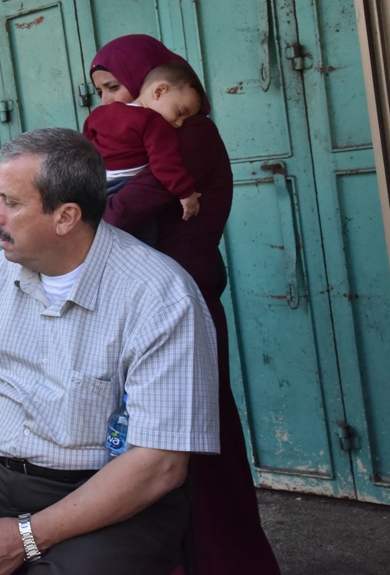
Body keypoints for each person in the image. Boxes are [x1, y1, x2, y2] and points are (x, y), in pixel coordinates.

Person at [0, 127, 219, 575]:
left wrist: (27, 536)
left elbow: (159, 465)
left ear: (65, 217)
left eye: (12, 202)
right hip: (2, 483)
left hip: (112, 495)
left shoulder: (159, 297)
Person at [91, 34, 281, 575]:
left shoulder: (190, 134)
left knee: (198, 450)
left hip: (185, 302)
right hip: (157, 301)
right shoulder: (147, 133)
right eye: (101, 93)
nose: (108, 103)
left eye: (114, 88)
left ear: (157, 81)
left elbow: (133, 203)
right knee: (157, 446)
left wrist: (74, 226)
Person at [83, 62, 205, 223]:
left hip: (96, 185)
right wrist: (186, 192)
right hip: (124, 185)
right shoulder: (155, 122)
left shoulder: (100, 113)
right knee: (144, 238)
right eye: (180, 112)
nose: (180, 123)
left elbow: (84, 145)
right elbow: (164, 163)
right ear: (159, 91)